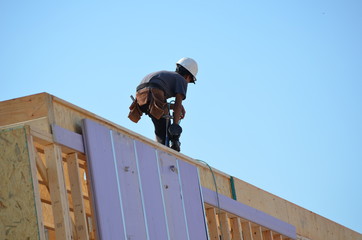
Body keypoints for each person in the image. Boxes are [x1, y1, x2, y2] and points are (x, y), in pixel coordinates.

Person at [128, 57, 198, 152]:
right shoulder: (181, 80)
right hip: (154, 91)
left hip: (141, 94)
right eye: (190, 81)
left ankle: (159, 146)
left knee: (160, 123)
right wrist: (175, 129)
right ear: (188, 76)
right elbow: (178, 104)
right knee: (165, 125)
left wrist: (177, 107)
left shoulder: (168, 76)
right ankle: (162, 152)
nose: (188, 83)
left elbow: (167, 102)